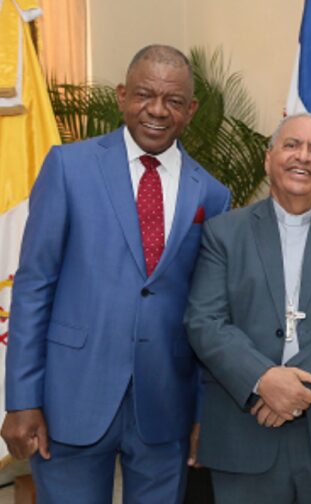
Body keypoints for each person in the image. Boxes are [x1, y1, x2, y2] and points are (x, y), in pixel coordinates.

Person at [1, 45, 231, 502]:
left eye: (173, 101)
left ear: (191, 110)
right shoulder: (69, 168)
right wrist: (22, 398)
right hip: (71, 398)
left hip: (166, 408)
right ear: (123, 96)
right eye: (145, 95)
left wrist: (206, 414)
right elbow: (33, 287)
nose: (157, 111)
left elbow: (209, 313)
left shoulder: (212, 193)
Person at [184, 113, 311, 504]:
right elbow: (204, 321)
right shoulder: (223, 233)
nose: (303, 157)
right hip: (245, 431)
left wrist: (292, 388)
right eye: (291, 145)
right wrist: (263, 379)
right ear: (268, 158)